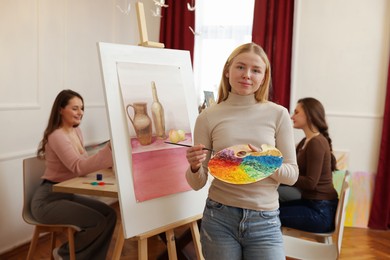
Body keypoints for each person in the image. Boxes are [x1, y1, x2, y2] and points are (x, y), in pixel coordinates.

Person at [185, 42, 299, 259]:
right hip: (218, 217)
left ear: (263, 77)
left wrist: (263, 163)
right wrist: (193, 166)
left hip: (265, 221)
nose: (247, 74)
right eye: (240, 67)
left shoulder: (279, 114)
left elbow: (292, 176)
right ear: (227, 70)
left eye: (256, 70)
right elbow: (197, 183)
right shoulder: (208, 117)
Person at [30, 89, 116, 260]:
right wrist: (108, 151)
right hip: (47, 200)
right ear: (61, 109)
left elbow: (84, 162)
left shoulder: (76, 131)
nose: (80, 113)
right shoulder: (56, 136)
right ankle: (63, 253)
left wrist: (107, 162)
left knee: (110, 215)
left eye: (82, 108)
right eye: (75, 108)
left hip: (66, 195)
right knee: (98, 221)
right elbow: (78, 167)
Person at [278, 97, 339, 233]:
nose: (292, 116)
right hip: (312, 204)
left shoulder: (316, 143)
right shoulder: (306, 141)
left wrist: (279, 176)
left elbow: (310, 183)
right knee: (271, 208)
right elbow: (292, 169)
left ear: (309, 115)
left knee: (267, 215)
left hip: (321, 211)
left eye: (296, 112)